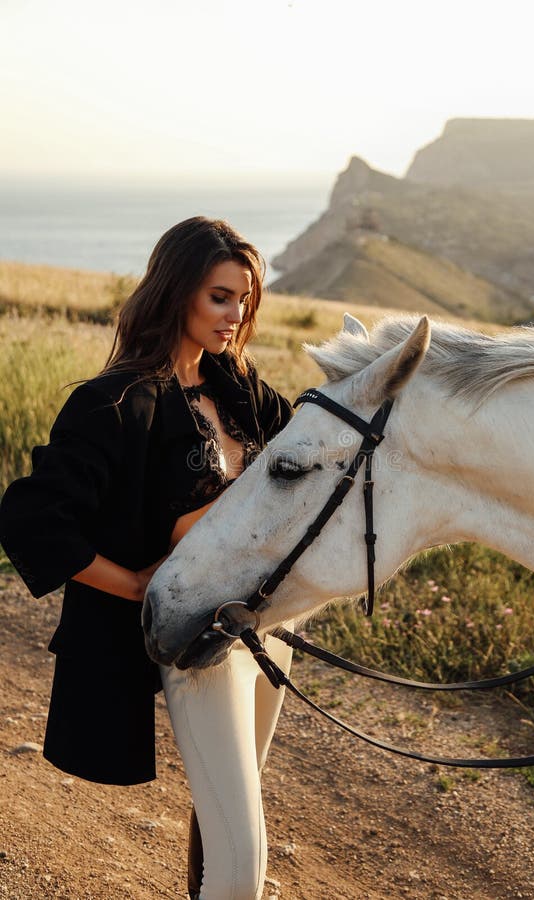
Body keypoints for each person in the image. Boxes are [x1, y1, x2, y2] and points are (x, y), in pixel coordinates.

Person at [0, 217, 294, 899]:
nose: (236, 314)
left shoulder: (240, 389)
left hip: (267, 636)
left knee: (228, 813)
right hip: (195, 644)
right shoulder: (116, 402)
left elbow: (305, 456)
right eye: (221, 296)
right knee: (244, 855)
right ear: (178, 291)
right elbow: (32, 517)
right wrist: (132, 584)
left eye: (245, 299)